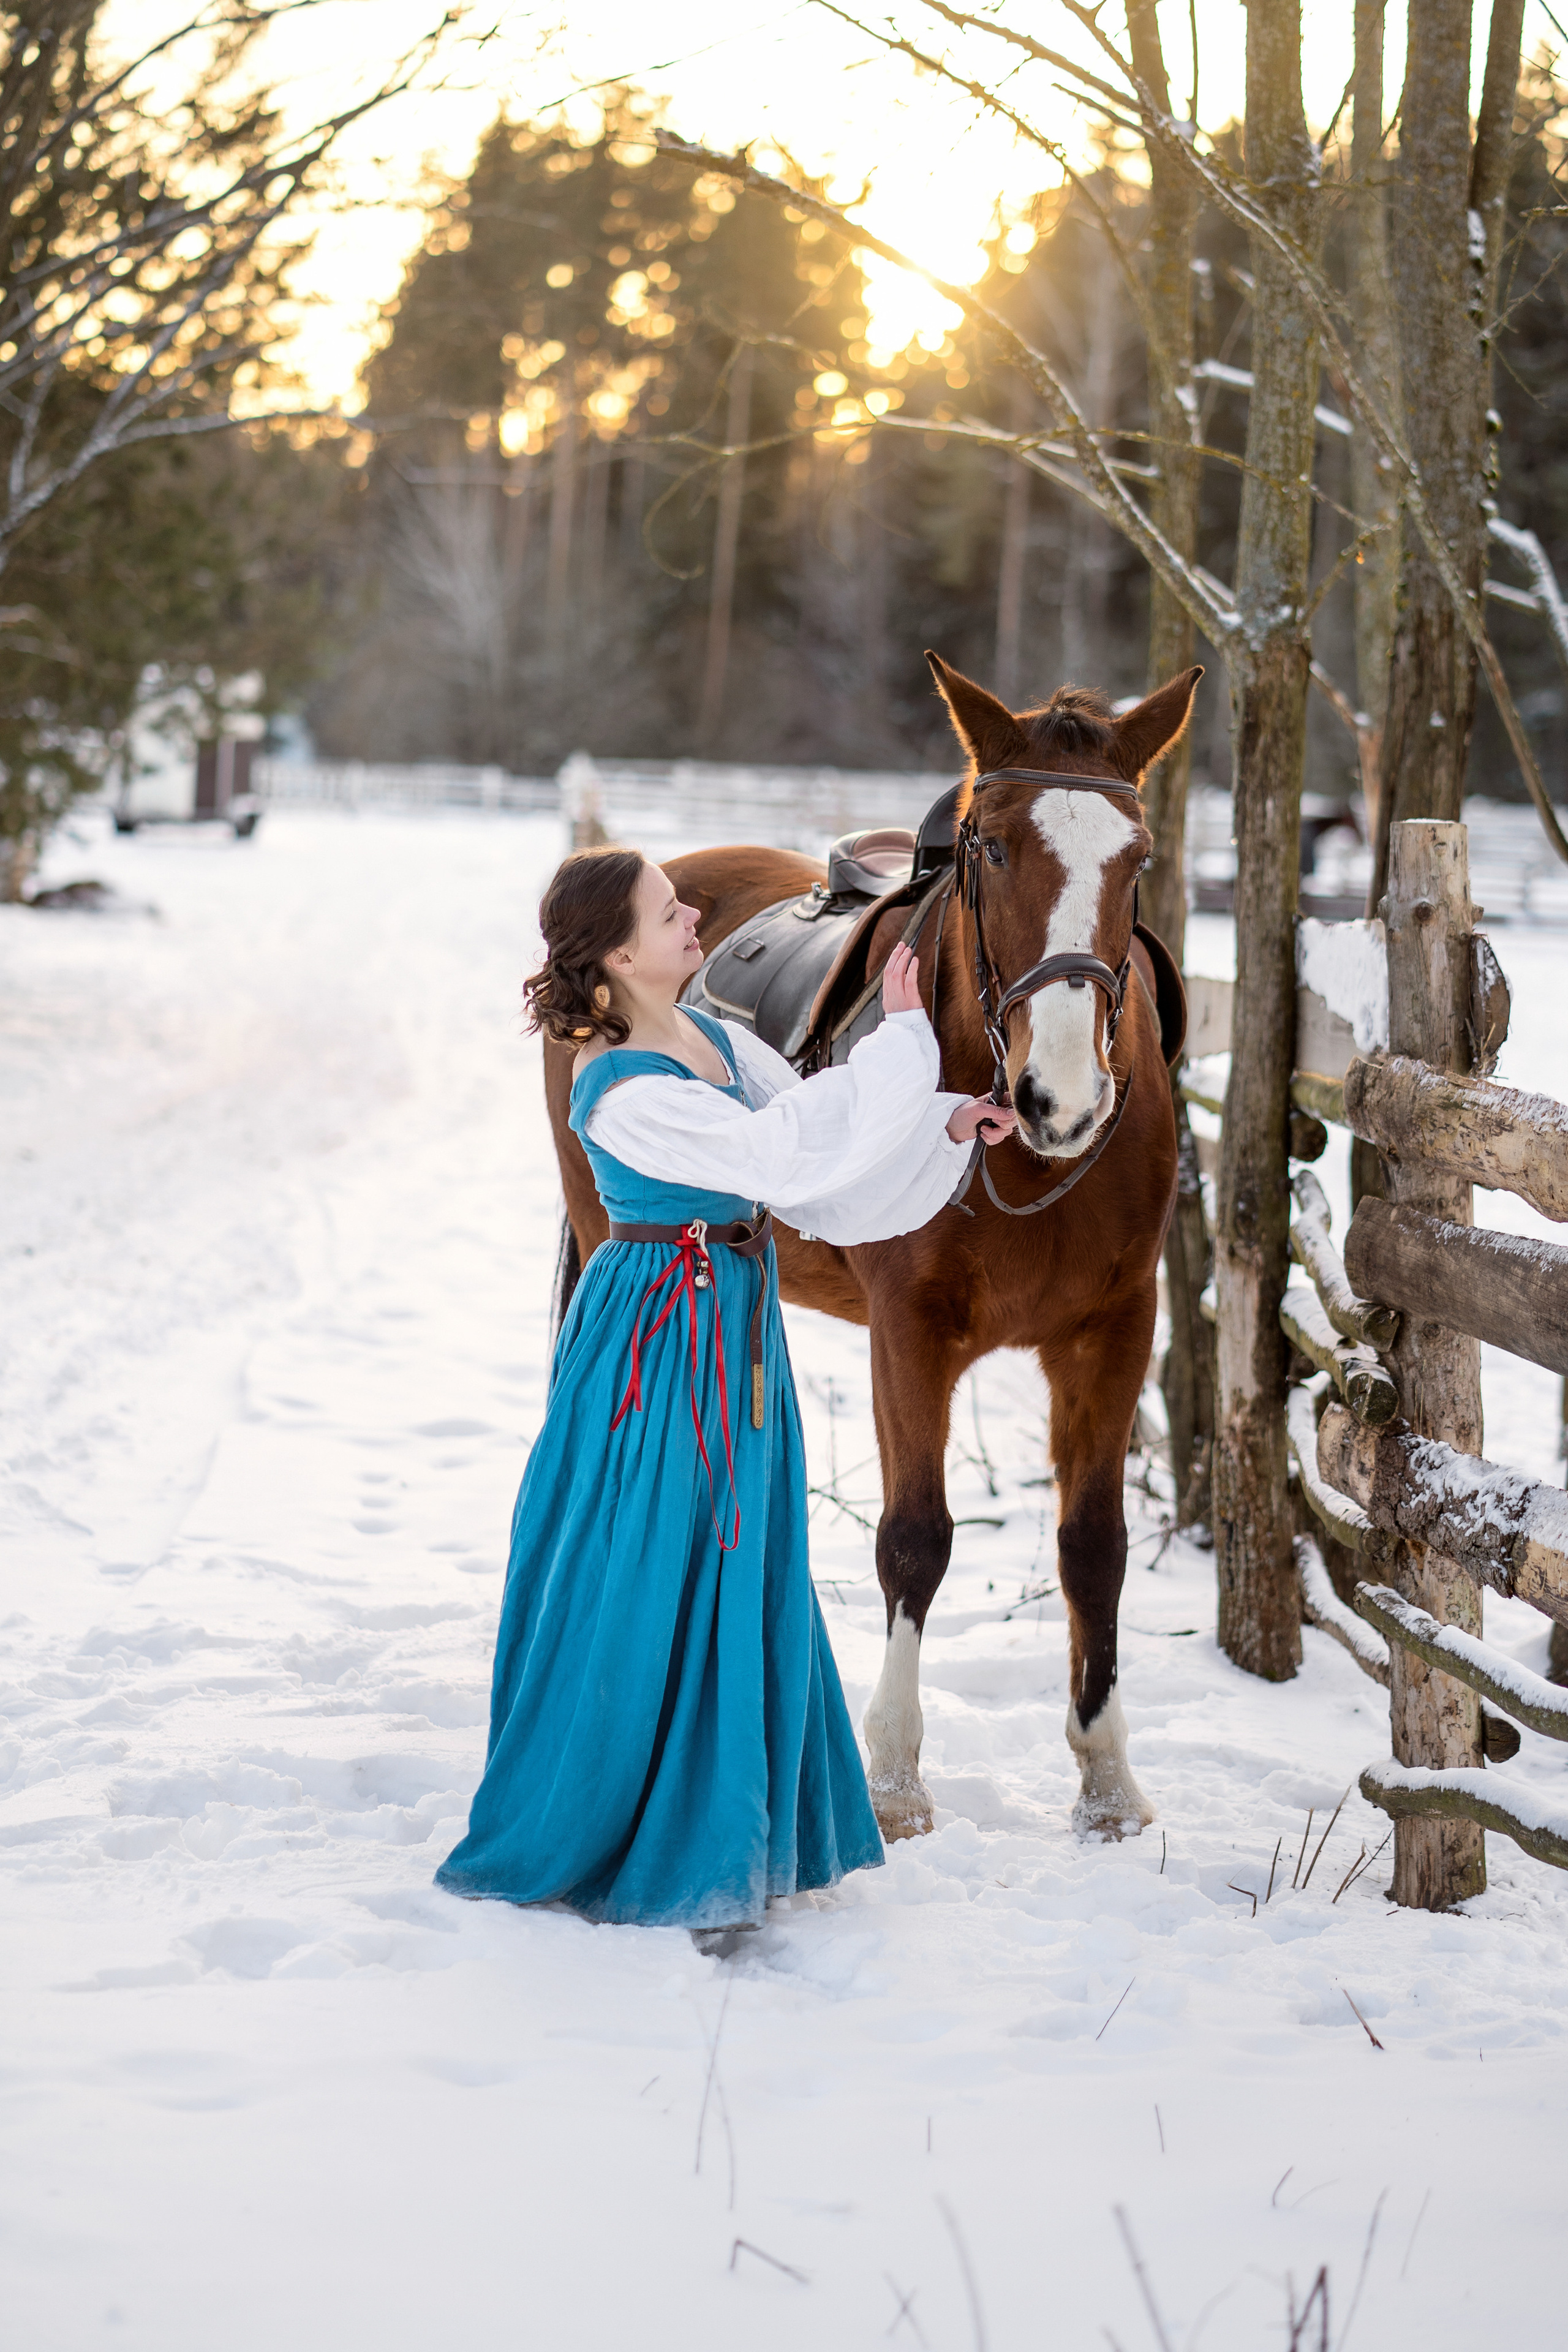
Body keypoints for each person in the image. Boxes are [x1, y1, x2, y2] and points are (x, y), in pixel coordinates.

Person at [435, 845, 1016, 1934]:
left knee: (737, 1555)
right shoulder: (613, 1086)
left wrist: (937, 1117)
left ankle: (727, 1809)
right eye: (667, 913)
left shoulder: (717, 1040)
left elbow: (827, 1174)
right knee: (646, 1555)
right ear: (613, 958)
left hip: (737, 1325)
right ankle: (617, 1814)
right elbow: (781, 1156)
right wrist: (900, 1050)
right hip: (656, 1348)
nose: (693, 913)